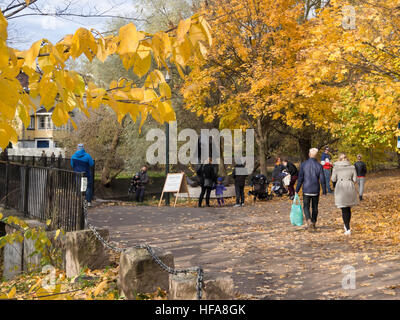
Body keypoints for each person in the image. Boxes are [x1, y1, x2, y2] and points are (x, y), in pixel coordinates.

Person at [295, 148, 327, 230]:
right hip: (315, 189)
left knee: (306, 206)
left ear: (309, 154)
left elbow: (300, 178)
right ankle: (313, 222)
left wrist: (297, 190)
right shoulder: (319, 166)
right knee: (315, 207)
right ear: (316, 156)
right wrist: (324, 190)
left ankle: (308, 220)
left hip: (306, 189)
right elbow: (322, 179)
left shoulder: (304, 164)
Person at [331, 153, 359, 235]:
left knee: (343, 208)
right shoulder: (352, 167)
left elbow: (333, 179)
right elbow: (355, 179)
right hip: (349, 186)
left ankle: (347, 227)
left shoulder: (336, 168)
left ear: (339, 159)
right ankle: (347, 226)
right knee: (348, 208)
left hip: (340, 187)